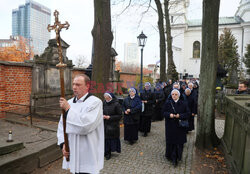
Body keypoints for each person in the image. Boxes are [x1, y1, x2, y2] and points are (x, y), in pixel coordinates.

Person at [57, 74, 104, 174]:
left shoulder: (95, 103)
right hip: (72, 150)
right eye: (73, 84)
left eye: (78, 84)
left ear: (87, 86)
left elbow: (86, 126)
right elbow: (62, 125)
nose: (74, 87)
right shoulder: (69, 102)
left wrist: (68, 110)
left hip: (88, 151)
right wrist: (63, 144)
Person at [162, 89, 190, 167]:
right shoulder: (168, 103)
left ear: (179, 95)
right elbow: (163, 112)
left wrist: (180, 116)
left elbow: (188, 113)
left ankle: (177, 157)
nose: (174, 96)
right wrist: (169, 115)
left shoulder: (183, 103)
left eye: (175, 94)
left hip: (180, 127)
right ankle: (170, 156)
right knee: (171, 142)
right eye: (173, 94)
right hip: (170, 126)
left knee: (178, 143)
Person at [103, 92, 122, 160]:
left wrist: (110, 117)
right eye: (104, 96)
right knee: (106, 138)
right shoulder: (104, 103)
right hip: (105, 124)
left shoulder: (116, 104)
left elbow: (120, 115)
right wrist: (102, 116)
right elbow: (101, 111)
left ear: (110, 97)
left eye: (106, 96)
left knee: (111, 138)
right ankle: (106, 152)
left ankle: (110, 151)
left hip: (113, 125)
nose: (105, 97)